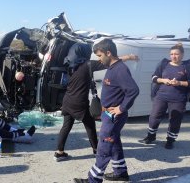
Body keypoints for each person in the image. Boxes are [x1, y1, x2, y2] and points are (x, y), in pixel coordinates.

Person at [54, 43, 138, 162]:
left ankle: (59, 152)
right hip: (79, 102)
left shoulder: (70, 65)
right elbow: (111, 60)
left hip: (67, 100)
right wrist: (129, 57)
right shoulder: (87, 64)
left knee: (66, 126)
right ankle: (96, 149)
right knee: (90, 126)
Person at [74, 39, 139, 183]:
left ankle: (93, 180)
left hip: (113, 117)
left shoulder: (120, 70)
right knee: (114, 143)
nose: (99, 59)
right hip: (107, 115)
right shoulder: (112, 66)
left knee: (104, 147)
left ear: (108, 53)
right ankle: (121, 172)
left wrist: (121, 108)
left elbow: (133, 91)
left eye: (99, 55)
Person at [141, 43, 190, 149]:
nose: (173, 56)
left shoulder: (187, 66)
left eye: (176, 54)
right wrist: (163, 80)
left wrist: (179, 83)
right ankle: (151, 136)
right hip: (161, 96)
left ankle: (170, 140)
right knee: (154, 117)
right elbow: (154, 77)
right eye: (171, 54)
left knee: (175, 119)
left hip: (178, 99)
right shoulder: (164, 63)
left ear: (182, 54)